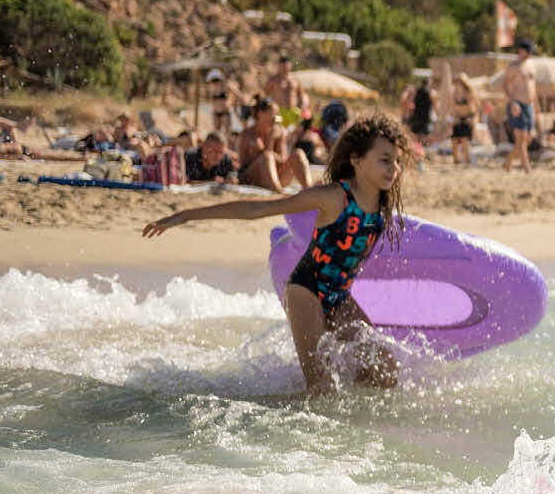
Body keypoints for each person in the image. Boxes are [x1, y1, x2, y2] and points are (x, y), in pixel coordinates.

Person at [144, 114, 412, 396]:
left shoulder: (383, 203)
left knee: (385, 371)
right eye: (384, 159)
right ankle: (275, 414)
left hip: (340, 296)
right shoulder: (333, 197)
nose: (393, 168)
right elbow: (257, 210)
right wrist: (186, 216)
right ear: (357, 161)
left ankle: (352, 420)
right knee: (321, 388)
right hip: (306, 292)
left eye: (396, 161)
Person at [238, 97, 313, 191]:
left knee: (298, 153)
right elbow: (246, 165)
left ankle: (309, 188)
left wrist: (271, 141)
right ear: (260, 114)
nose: (276, 118)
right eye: (273, 114)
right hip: (252, 178)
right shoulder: (247, 135)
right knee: (267, 156)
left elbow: (282, 159)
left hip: (275, 176)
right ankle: (277, 190)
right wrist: (269, 143)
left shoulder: (278, 132)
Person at [499, 39, 539, 172]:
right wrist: (512, 102)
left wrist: (536, 105)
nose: (529, 54)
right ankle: (527, 168)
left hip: (529, 105)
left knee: (527, 138)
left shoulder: (531, 65)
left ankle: (508, 162)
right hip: (517, 104)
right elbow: (504, 85)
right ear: (521, 50)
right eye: (527, 51)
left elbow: (533, 87)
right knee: (521, 138)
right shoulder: (513, 67)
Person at [264, 56, 308, 121]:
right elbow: (266, 95)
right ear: (279, 66)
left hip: (293, 111)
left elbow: (301, 95)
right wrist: (271, 107)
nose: (285, 69)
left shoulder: (295, 79)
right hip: (278, 113)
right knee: (278, 128)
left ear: (290, 66)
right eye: (283, 66)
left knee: (293, 130)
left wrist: (300, 109)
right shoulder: (273, 80)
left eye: (287, 66)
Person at [448, 76, 476, 167]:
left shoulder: (468, 93)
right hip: (458, 117)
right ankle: (456, 160)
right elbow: (452, 107)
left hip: (467, 117)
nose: (457, 84)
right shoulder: (454, 94)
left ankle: (467, 160)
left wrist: (471, 118)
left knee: (464, 140)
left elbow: (471, 107)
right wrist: (454, 117)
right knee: (454, 140)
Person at [407, 77, 435, 163]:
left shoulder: (417, 92)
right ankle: (421, 158)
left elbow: (411, 105)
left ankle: (416, 157)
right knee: (423, 139)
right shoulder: (430, 93)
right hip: (425, 119)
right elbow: (433, 105)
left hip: (416, 118)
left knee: (416, 139)